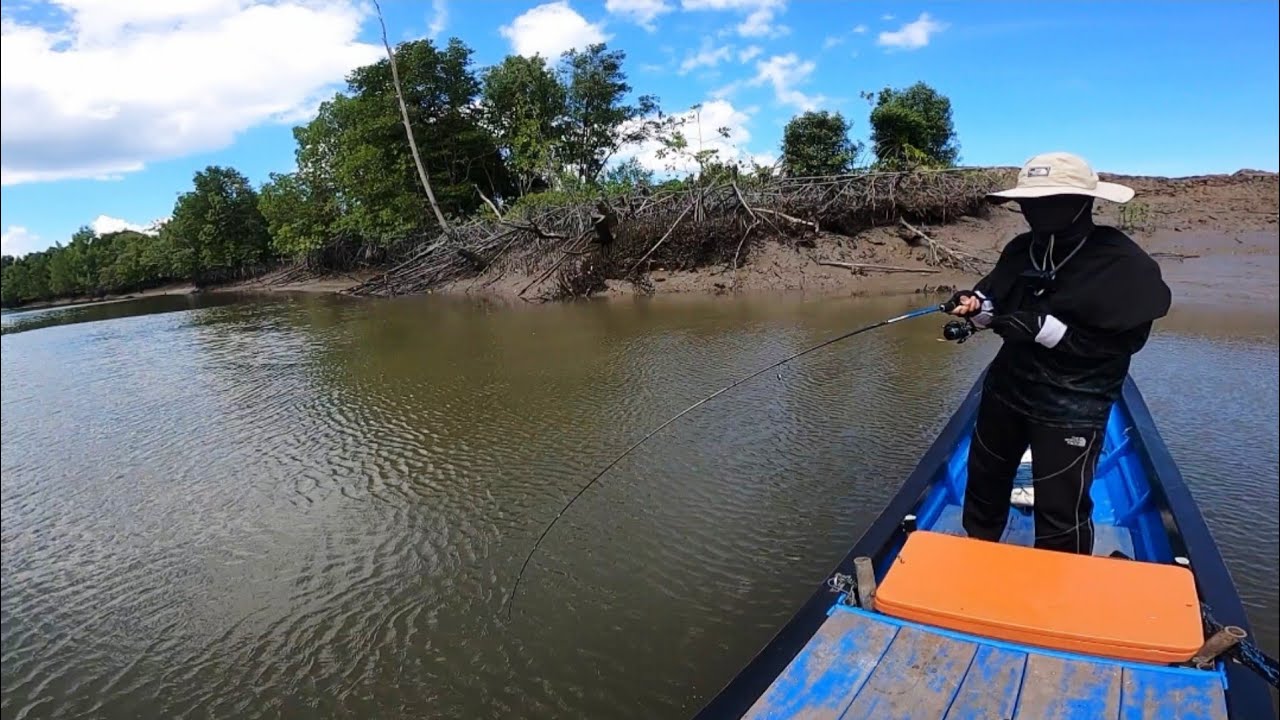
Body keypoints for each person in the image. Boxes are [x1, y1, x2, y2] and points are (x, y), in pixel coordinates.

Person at [947, 151, 1171, 555]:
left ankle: (1059, 588)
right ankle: (975, 558)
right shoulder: (1020, 249)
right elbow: (993, 301)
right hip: (1007, 390)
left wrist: (1046, 331)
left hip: (1073, 403)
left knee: (1060, 509)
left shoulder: (1121, 262)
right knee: (984, 482)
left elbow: (1125, 343)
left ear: (1084, 202)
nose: (1037, 211)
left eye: (1051, 201)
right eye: (1031, 203)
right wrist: (977, 307)